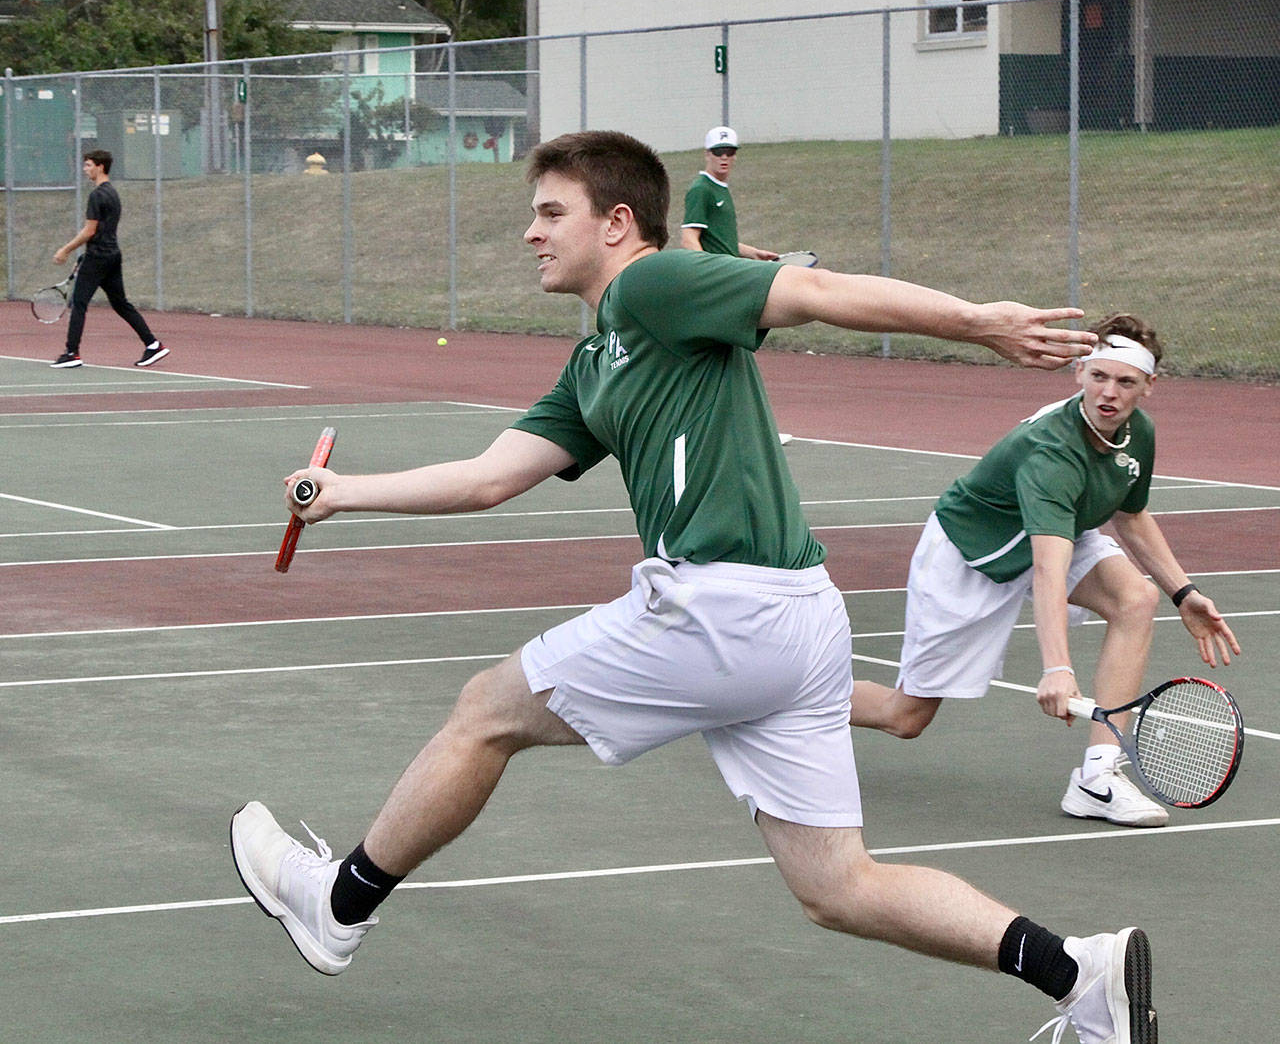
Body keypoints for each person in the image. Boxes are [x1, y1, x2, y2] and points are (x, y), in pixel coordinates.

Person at [231, 131, 1156, 1043]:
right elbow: (487, 477)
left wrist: (976, 321)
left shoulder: (654, 283)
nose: (532, 233)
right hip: (797, 621)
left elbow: (817, 291)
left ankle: (336, 904)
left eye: (553, 213)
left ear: (618, 222)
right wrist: (344, 495)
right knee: (839, 887)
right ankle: (1081, 975)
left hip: (725, 607)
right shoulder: (599, 361)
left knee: (486, 711)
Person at [848, 313, 1239, 829]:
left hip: (1056, 535)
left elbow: (1130, 514)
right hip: (971, 556)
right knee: (906, 717)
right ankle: (789, 696)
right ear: (1079, 372)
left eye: (1124, 382)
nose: (1109, 392)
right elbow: (1047, 571)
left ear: (1148, 387)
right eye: (1098, 376)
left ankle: (1098, 779)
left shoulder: (1137, 433)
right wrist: (1057, 667)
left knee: (1135, 599)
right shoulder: (1052, 453)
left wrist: (1182, 592)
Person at [50, 150, 169, 369]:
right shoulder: (112, 193)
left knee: (79, 303)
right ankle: (153, 345)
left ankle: (72, 353)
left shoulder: (97, 195)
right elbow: (103, 230)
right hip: (111, 256)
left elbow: (89, 231)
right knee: (121, 304)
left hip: (99, 257)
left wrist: (65, 250)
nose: (85, 169)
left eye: (88, 165)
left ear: (100, 167)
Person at [680, 126, 778, 261]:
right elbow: (688, 239)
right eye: (718, 152)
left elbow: (722, 242)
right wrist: (706, 268)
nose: (724, 157)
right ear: (707, 154)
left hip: (728, 269)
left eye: (729, 152)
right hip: (717, 274)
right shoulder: (701, 189)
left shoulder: (720, 188)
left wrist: (754, 253)